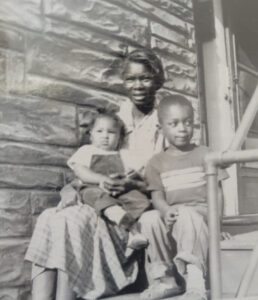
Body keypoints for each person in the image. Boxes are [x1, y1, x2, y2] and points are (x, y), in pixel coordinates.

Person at [25, 48, 166, 300]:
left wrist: (132, 183)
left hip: (128, 205)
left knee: (71, 222)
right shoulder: (115, 117)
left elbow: (171, 173)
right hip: (97, 194)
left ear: (157, 79)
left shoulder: (166, 121)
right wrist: (71, 190)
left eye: (145, 78)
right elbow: (87, 163)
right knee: (50, 216)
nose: (138, 85)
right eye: (131, 79)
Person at [142, 95, 229, 300]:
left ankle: (196, 280)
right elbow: (157, 196)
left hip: (202, 216)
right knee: (149, 218)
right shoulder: (155, 163)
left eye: (188, 122)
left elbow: (217, 192)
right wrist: (165, 211)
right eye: (174, 124)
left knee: (187, 213)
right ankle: (166, 280)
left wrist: (218, 226)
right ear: (161, 127)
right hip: (174, 217)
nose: (182, 128)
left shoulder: (206, 154)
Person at [63, 111, 150, 250]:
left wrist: (132, 176)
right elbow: (81, 171)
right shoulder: (87, 150)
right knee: (90, 194)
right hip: (96, 187)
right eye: (99, 131)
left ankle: (134, 234)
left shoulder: (124, 154)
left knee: (141, 200)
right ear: (91, 135)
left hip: (119, 189)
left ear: (120, 137)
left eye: (111, 132)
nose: (105, 136)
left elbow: (140, 173)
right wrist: (101, 179)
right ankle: (120, 217)